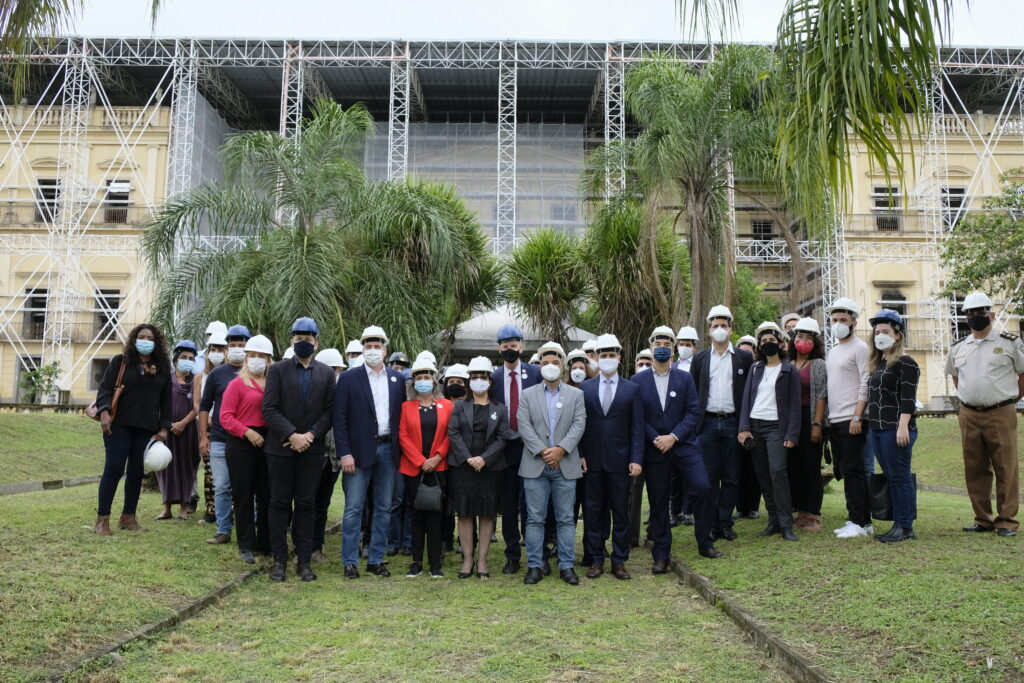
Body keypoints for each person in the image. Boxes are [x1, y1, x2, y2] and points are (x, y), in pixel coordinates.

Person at [635, 326, 721, 567]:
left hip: (684, 446)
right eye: (658, 344)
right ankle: (661, 555)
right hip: (655, 449)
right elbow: (638, 418)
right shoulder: (638, 380)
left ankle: (705, 542)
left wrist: (673, 437)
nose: (662, 348)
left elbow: (693, 412)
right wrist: (657, 438)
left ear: (673, 349)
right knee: (658, 501)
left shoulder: (685, 378)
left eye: (666, 344)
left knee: (703, 487)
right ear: (651, 347)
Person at [261, 318, 336, 582]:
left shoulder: (326, 374)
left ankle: (304, 561)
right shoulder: (277, 370)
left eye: (308, 339)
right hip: (280, 448)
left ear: (316, 343)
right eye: (298, 338)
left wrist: (310, 435)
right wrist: (292, 435)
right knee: (279, 503)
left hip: (312, 450)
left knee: (306, 504)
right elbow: (269, 408)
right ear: (291, 341)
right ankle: (279, 560)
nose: (303, 342)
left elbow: (330, 412)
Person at [947, 292, 1024, 537]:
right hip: (969, 413)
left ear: (991, 314)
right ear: (965, 317)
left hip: (1001, 411)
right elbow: (956, 378)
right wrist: (970, 399)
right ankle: (983, 518)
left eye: (980, 312)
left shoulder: (1009, 343)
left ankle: (1006, 521)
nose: (975, 317)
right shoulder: (959, 347)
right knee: (974, 466)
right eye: (970, 313)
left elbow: (1022, 374)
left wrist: (1011, 399)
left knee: (1005, 466)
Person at [334, 326, 406, 579]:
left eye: (377, 346)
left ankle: (376, 559)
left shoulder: (397, 380)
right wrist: (344, 453)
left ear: (385, 350)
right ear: (362, 349)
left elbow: (400, 417)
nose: (373, 350)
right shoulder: (349, 378)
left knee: (384, 507)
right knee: (354, 508)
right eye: (368, 346)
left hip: (388, 449)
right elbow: (339, 419)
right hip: (357, 452)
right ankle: (350, 561)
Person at [517, 341, 586, 585]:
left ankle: (566, 565)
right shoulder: (527, 395)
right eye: (545, 362)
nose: (550, 366)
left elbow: (579, 424)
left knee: (566, 518)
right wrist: (544, 452)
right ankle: (535, 565)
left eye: (555, 362)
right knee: (534, 519)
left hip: (566, 465)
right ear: (539, 366)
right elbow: (524, 425)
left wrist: (561, 450)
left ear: (563, 365)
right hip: (535, 465)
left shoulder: (576, 395)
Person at [92, 324, 172, 535]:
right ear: (134, 339)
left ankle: (128, 517)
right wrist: (104, 411)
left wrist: (165, 427)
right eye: (141, 337)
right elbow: (105, 390)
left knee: (136, 472)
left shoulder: (162, 368)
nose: (145, 341)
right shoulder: (121, 362)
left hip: (146, 428)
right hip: (118, 425)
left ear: (157, 342)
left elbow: (167, 401)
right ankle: (102, 519)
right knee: (114, 468)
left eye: (150, 338)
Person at [578, 334, 643, 580]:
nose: (607, 359)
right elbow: (578, 425)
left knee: (621, 513)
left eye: (611, 355)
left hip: (621, 461)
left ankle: (619, 560)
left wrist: (636, 458)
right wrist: (580, 454)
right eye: (603, 355)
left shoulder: (632, 389)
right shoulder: (585, 388)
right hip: (592, 461)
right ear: (596, 358)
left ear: (619, 357)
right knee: (594, 511)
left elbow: (637, 428)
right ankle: (596, 559)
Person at [689, 305, 754, 543]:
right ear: (708, 330)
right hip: (707, 424)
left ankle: (725, 522)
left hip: (733, 423)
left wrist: (745, 426)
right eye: (715, 326)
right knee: (709, 477)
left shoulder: (744, 358)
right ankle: (711, 523)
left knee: (731, 476)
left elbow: (749, 393)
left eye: (723, 326)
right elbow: (693, 393)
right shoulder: (700, 358)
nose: (719, 329)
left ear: (731, 329)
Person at [447, 356, 511, 578]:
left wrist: (484, 459)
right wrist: (468, 458)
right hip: (463, 468)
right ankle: (467, 559)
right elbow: (453, 432)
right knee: (464, 514)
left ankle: (482, 560)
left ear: (490, 381)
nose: (478, 381)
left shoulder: (500, 409)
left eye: (482, 377)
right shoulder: (459, 407)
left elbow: (503, 437)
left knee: (486, 514)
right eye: (473, 377)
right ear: (469, 382)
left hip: (490, 469)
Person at [738, 322, 802, 541]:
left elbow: (795, 405)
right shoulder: (755, 368)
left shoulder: (789, 369)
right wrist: (744, 428)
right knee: (763, 475)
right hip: (755, 426)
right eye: (763, 341)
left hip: (776, 428)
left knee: (778, 471)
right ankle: (773, 521)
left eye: (771, 340)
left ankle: (786, 524)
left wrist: (792, 434)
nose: (767, 344)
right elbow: (746, 399)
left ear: (780, 343)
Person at [488, 324, 543, 575]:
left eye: (513, 345)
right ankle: (512, 555)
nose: (509, 349)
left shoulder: (536, 373)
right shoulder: (493, 378)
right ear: (499, 348)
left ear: (521, 346)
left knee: (532, 503)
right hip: (505, 448)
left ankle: (535, 553)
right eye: (505, 346)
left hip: (531, 447)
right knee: (509, 504)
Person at [219, 334, 274, 565]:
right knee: (243, 495)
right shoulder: (237, 384)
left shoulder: (272, 384)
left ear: (269, 360)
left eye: (261, 356)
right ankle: (246, 544)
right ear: (246, 358)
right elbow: (225, 416)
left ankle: (266, 543)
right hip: (241, 443)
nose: (257, 360)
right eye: (253, 355)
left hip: (268, 441)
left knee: (266, 494)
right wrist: (246, 432)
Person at [866, 309, 920, 542]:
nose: (880, 335)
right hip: (877, 429)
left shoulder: (906, 362)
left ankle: (904, 526)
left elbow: (908, 399)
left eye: (886, 331)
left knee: (900, 477)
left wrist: (903, 426)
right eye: (877, 332)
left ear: (897, 334)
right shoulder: (878, 364)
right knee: (891, 476)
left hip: (896, 429)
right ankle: (898, 522)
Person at [398, 355, 453, 578]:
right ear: (413, 382)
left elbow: (450, 434)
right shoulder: (406, 407)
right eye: (419, 378)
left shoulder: (446, 406)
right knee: (416, 515)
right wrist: (421, 461)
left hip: (439, 468)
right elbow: (403, 436)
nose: (423, 381)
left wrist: (437, 457)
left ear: (434, 380)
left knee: (436, 516)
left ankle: (435, 563)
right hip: (414, 468)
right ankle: (416, 562)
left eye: (426, 377)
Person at [824, 297, 873, 539]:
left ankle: (859, 522)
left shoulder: (861, 348)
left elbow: (865, 382)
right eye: (834, 320)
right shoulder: (833, 351)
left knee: (854, 470)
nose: (838, 324)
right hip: (835, 419)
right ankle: (859, 518)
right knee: (845, 469)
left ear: (854, 322)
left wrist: (857, 415)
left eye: (843, 319)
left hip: (852, 419)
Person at [199, 324, 251, 545]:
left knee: (247, 486)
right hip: (220, 438)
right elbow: (204, 406)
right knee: (221, 486)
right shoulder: (217, 374)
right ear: (228, 347)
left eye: (242, 345)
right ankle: (223, 529)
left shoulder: (257, 373)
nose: (237, 348)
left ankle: (249, 528)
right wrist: (204, 437)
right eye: (233, 345)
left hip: (248, 439)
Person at [788, 318, 829, 531]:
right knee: (794, 467)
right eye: (800, 336)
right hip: (791, 421)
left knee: (811, 467)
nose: (803, 341)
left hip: (810, 417)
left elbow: (822, 395)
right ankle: (802, 512)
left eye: (808, 338)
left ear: (815, 342)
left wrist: (817, 424)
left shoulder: (818, 364)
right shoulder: (788, 363)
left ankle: (814, 514)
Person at [155, 340, 201, 521]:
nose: (187, 361)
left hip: (188, 431)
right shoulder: (166, 379)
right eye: (184, 357)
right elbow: (158, 404)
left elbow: (197, 407)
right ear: (175, 359)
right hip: (166, 430)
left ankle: (184, 508)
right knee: (165, 467)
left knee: (187, 467)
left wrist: (183, 423)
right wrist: (165, 425)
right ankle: (166, 508)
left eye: (191, 358)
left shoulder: (196, 380)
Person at [311, 348, 346, 563]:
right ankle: (302, 545)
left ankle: (316, 547)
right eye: (330, 369)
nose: (334, 374)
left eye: (337, 370)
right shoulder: (311, 393)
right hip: (311, 457)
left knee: (323, 504)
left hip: (332, 460)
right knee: (307, 502)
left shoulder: (343, 395)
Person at [195, 330, 228, 523]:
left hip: (226, 426)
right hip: (207, 427)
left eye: (220, 349)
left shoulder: (232, 373)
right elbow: (198, 404)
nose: (216, 353)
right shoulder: (201, 377)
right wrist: (205, 419)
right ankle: (211, 509)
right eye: (213, 350)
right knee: (210, 472)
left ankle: (229, 510)